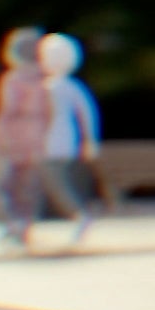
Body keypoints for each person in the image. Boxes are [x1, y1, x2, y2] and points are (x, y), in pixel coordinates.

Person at [0, 27, 50, 249]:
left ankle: (13, 225)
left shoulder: (12, 80)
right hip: (37, 135)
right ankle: (25, 225)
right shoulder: (45, 80)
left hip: (14, 135)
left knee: (6, 184)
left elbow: (7, 110)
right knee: (28, 185)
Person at [38, 32, 102, 242]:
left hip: (55, 144)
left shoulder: (59, 87)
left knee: (54, 182)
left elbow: (86, 112)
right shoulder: (54, 86)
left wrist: (89, 140)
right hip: (53, 143)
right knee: (46, 180)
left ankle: (78, 215)